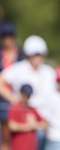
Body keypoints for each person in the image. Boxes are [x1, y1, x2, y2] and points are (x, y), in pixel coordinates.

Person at [0, 35, 56, 150]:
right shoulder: (18, 68)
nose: (38, 58)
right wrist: (14, 99)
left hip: (47, 121)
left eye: (40, 55)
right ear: (28, 55)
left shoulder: (49, 72)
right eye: (35, 55)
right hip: (25, 121)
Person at [0, 22, 23, 150]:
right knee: (5, 136)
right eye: (4, 36)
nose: (7, 39)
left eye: (10, 36)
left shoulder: (21, 54)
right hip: (3, 99)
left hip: (18, 97)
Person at [7, 84, 47, 150]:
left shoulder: (32, 109)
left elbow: (45, 124)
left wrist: (34, 125)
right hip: (17, 147)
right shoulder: (14, 107)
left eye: (28, 95)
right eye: (25, 94)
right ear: (20, 93)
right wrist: (29, 126)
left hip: (31, 147)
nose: (26, 97)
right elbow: (12, 126)